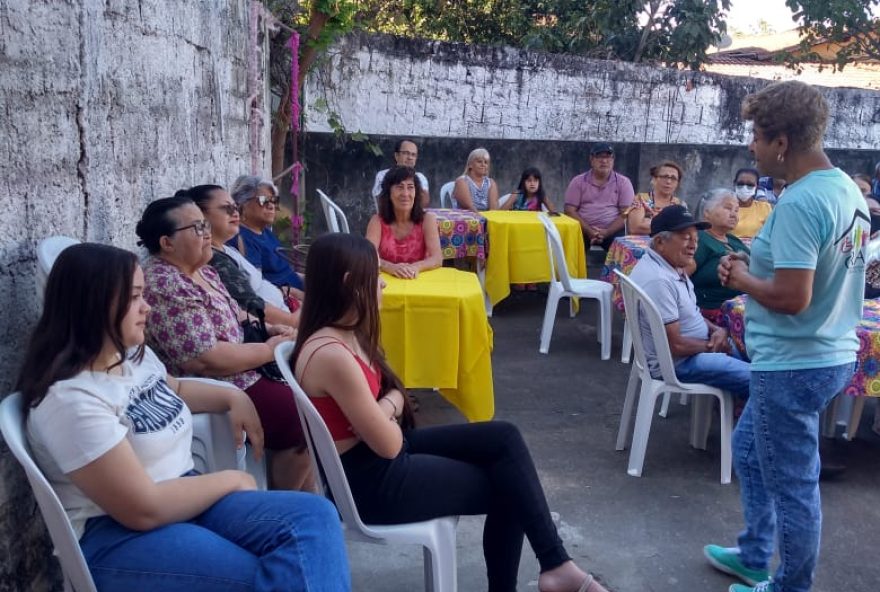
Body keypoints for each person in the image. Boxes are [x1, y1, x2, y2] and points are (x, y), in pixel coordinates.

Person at [17, 243, 350, 591]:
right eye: (133, 298)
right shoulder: (70, 401)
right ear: (91, 304)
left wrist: (232, 396)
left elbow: (175, 389)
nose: (147, 307)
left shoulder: (130, 356)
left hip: (185, 496)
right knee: (267, 575)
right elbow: (142, 508)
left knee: (315, 517)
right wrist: (232, 480)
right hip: (119, 534)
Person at [290, 233, 610, 592]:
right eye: (375, 274)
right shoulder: (331, 354)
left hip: (377, 461)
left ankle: (556, 565)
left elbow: (389, 418)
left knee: (504, 438)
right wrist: (392, 403)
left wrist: (388, 407)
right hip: (371, 485)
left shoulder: (345, 334)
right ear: (350, 284)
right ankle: (553, 570)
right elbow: (389, 443)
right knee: (510, 485)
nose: (382, 283)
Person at [706, 80, 870, 592]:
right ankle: (754, 553)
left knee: (795, 485)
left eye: (757, 135)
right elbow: (819, 268)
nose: (751, 147)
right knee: (750, 451)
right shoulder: (844, 187)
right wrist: (756, 261)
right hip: (828, 351)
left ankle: (790, 586)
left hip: (795, 361)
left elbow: (793, 296)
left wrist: (741, 280)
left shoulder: (801, 202)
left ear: (781, 142)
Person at [136, 196, 310, 491]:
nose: (206, 233)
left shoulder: (203, 269)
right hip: (220, 382)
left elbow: (236, 314)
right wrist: (268, 350)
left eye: (204, 225)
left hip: (246, 365)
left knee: (314, 384)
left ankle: (313, 499)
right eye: (196, 227)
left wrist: (270, 329)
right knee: (301, 419)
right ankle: (288, 503)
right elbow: (206, 359)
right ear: (167, 243)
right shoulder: (166, 283)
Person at [628, 205, 750, 399]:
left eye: (696, 239)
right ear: (659, 242)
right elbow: (676, 346)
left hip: (694, 351)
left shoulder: (670, 267)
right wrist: (715, 345)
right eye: (686, 238)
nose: (694, 245)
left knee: (758, 361)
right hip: (678, 363)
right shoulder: (659, 280)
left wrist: (715, 330)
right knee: (760, 382)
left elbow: (690, 313)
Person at [184, 184, 300, 325]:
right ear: (200, 215)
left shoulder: (227, 249)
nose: (235, 213)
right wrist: (295, 320)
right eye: (227, 208)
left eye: (235, 207)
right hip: (281, 327)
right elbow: (250, 305)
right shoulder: (214, 259)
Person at [228, 175, 305, 300]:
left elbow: (285, 273)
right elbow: (260, 288)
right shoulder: (244, 239)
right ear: (243, 204)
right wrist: (308, 299)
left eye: (274, 200)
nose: (271, 206)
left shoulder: (264, 231)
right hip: (286, 301)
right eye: (263, 200)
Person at [686, 189, 751, 324]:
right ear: (707, 213)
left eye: (737, 210)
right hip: (714, 316)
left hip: (744, 308)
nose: (734, 214)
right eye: (728, 208)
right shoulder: (700, 240)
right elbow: (678, 279)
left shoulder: (733, 240)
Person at [366, 165, 442, 279]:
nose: (405, 194)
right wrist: (391, 267)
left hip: (418, 282)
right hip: (385, 284)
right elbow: (368, 255)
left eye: (410, 187)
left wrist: (415, 267)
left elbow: (437, 258)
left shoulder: (427, 219)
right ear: (389, 193)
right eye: (399, 187)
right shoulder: (377, 221)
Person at [564, 143, 635, 251]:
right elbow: (569, 211)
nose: (604, 161)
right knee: (568, 248)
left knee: (624, 252)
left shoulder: (623, 183)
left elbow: (626, 213)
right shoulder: (578, 181)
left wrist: (606, 232)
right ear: (591, 159)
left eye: (608, 157)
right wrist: (590, 231)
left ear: (613, 160)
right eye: (600, 157)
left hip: (612, 231)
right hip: (582, 229)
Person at [625, 160, 686, 235]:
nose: (668, 181)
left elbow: (684, 229)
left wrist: (650, 224)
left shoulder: (680, 205)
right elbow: (635, 228)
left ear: (677, 183)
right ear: (654, 179)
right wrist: (671, 226)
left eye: (673, 178)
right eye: (665, 177)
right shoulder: (641, 199)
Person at [371, 139, 430, 207]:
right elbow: (381, 203)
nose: (410, 157)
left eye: (413, 155)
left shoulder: (420, 177)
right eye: (406, 153)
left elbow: (424, 204)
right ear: (396, 156)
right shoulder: (383, 175)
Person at [731, 168, 773, 238]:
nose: (745, 187)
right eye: (740, 183)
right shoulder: (726, 207)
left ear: (757, 186)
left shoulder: (765, 208)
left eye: (750, 185)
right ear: (734, 184)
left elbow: (771, 234)